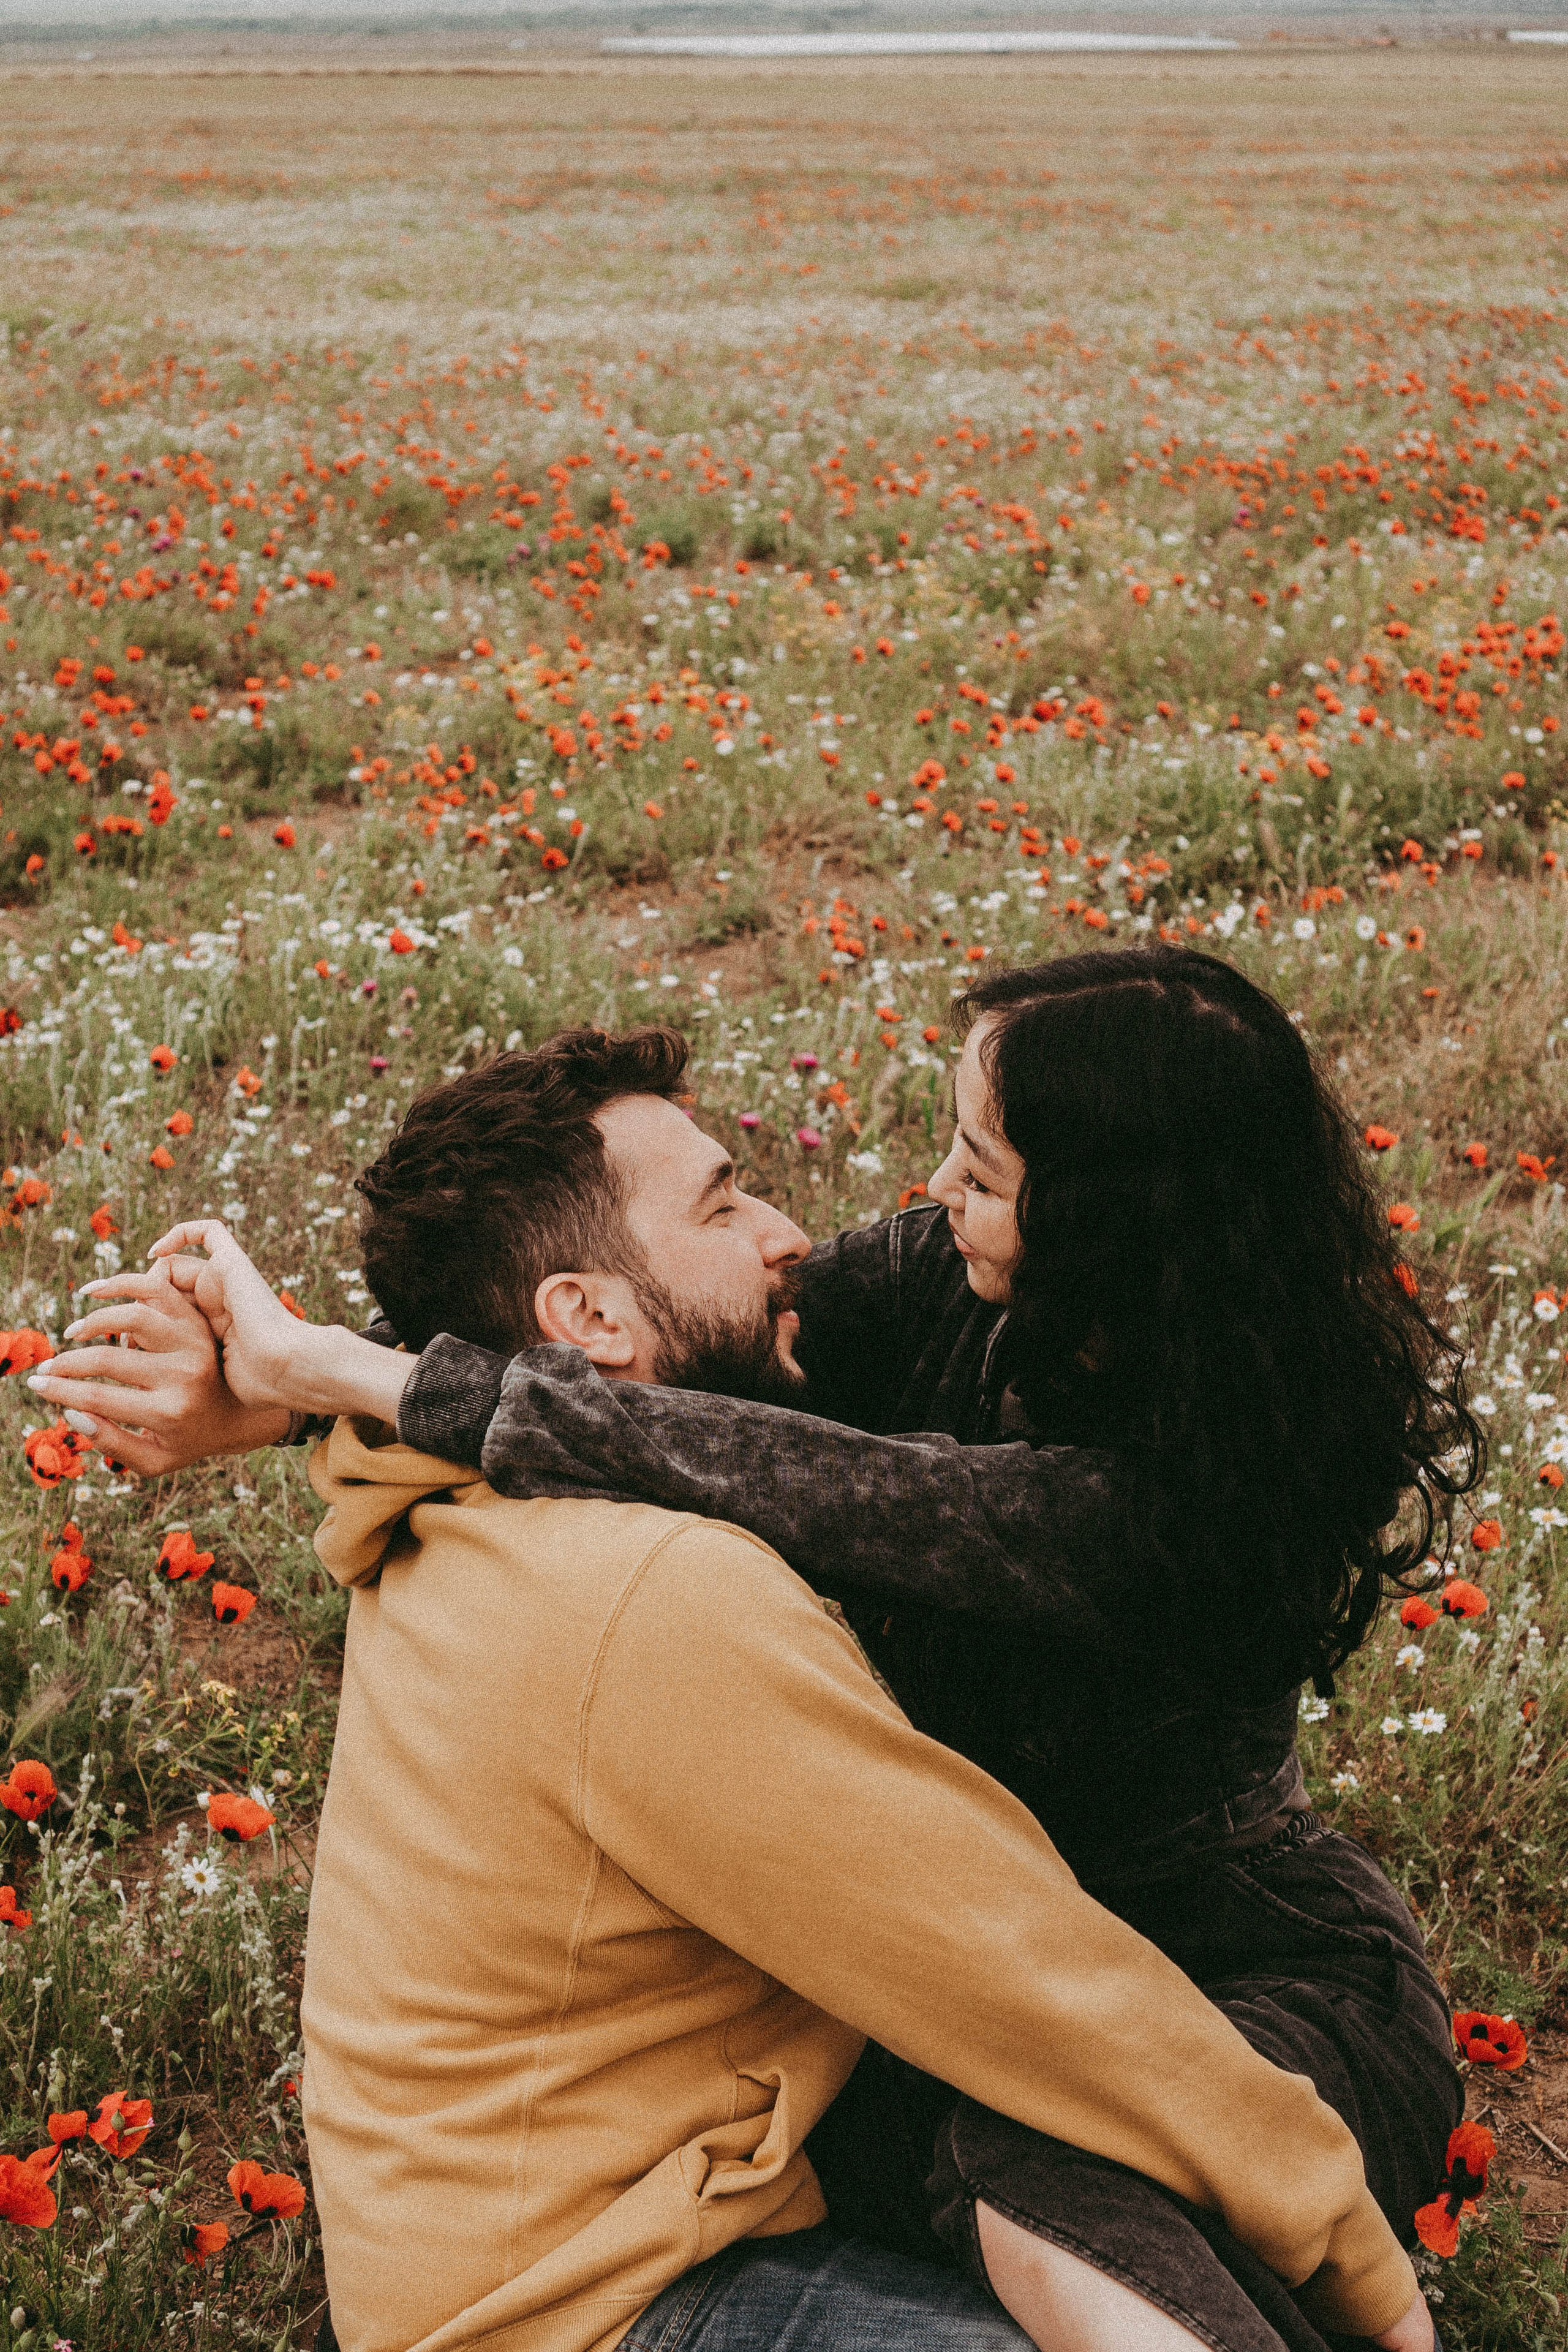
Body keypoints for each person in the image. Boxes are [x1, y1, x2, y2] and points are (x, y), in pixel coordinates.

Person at [32, 989, 1446, 2352]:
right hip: (898, 2048)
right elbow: (612, 1353)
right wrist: (289, 1381)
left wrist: (331, 1381)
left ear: (1100, 1227)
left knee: (1049, 2169)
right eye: (728, 1199)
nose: (896, 1202)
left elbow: (783, 1464)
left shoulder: (1182, 1515)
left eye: (980, 1165)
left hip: (1218, 1974)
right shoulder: (866, 1359)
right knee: (1025, 2161)